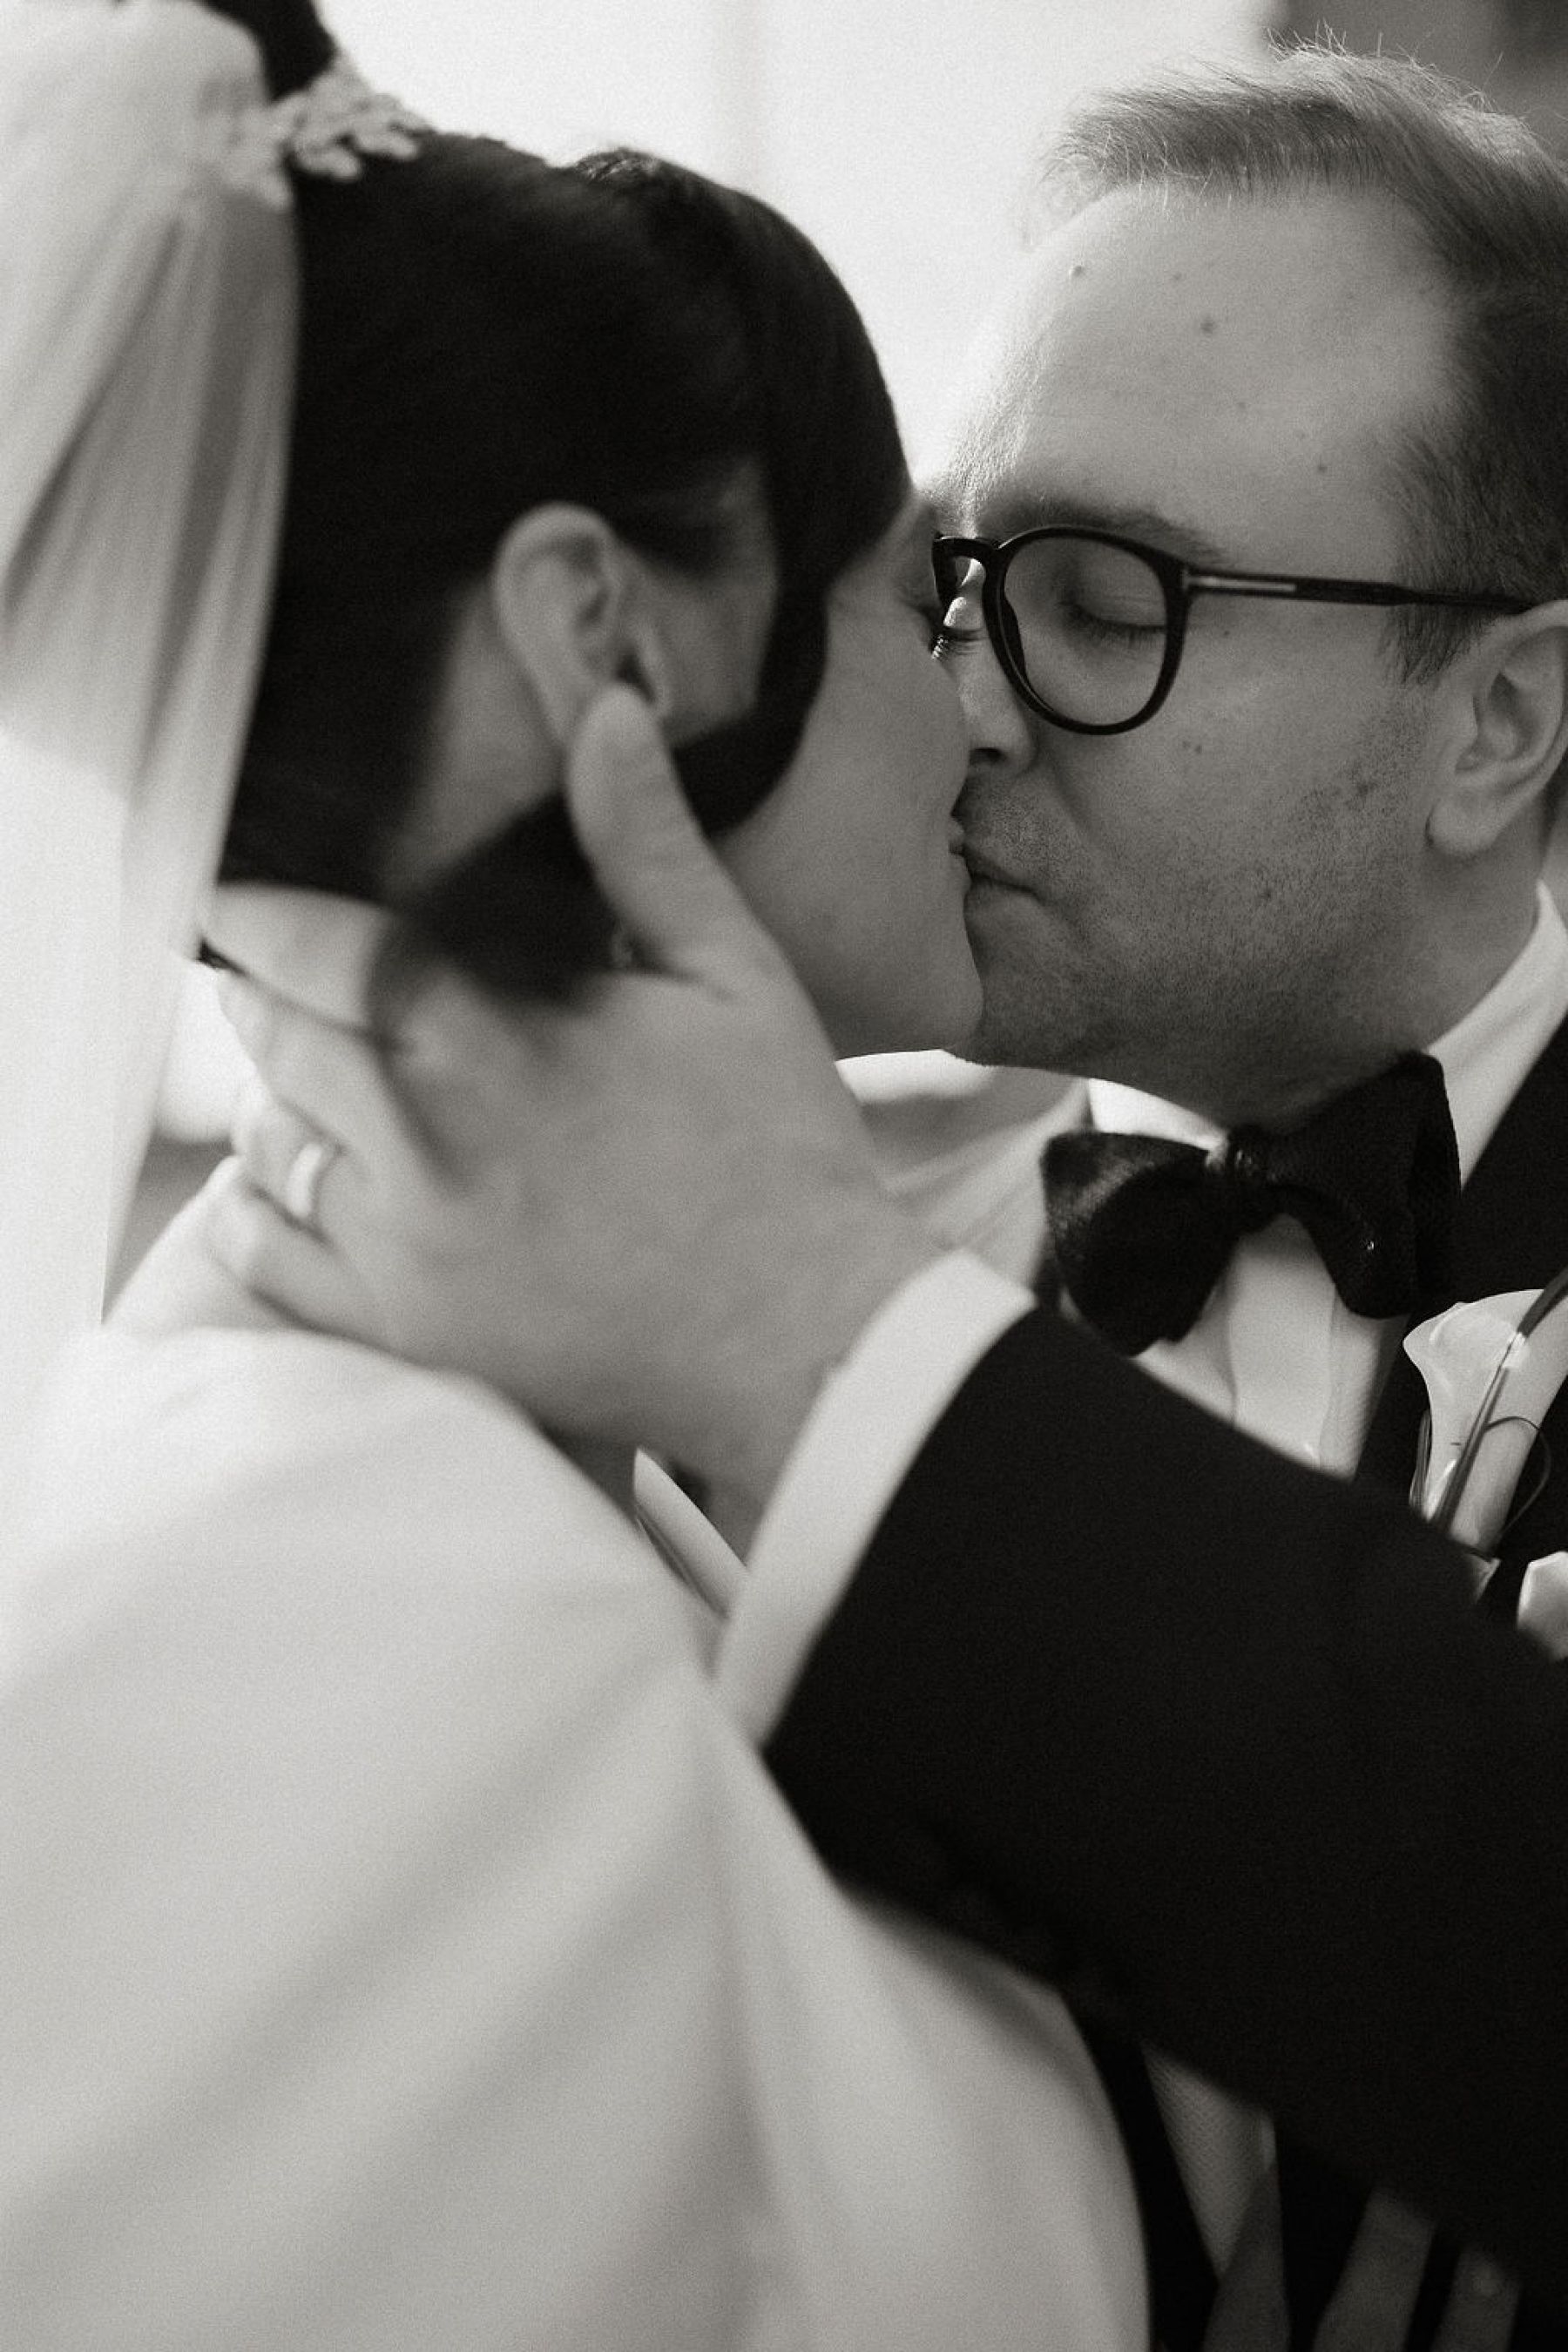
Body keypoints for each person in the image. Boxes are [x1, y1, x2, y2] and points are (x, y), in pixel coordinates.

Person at [204, 48, 1568, 2347]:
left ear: (1500, 727)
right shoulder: (801, 1266)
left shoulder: (813, 1312)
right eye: (948, 573)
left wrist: (802, 1319)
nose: (969, 698)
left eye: (1099, 597)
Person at [0, 3, 1146, 2346]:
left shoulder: (560, 1482)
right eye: (920, 588)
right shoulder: (398, 1617)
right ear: (604, 637)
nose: (988, 699)